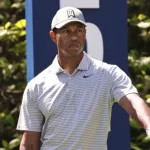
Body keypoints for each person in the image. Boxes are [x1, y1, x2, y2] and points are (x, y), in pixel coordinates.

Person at [17, 6, 150, 150]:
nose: (73, 36)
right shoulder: (36, 86)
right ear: (53, 36)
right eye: (66, 31)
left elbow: (134, 103)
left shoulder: (109, 73)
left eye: (79, 30)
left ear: (85, 33)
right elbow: (29, 143)